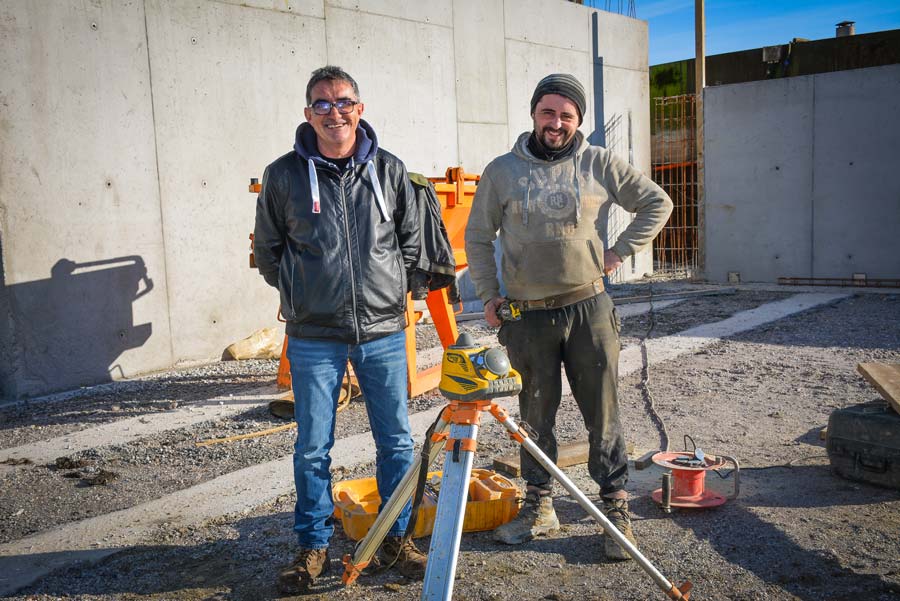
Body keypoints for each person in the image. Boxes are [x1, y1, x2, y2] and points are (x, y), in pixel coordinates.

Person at [464, 73, 673, 560]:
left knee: (603, 413)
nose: (555, 122)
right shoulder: (502, 172)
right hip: (527, 316)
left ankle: (615, 509)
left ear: (578, 120)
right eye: (547, 112)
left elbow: (656, 203)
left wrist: (620, 251)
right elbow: (478, 237)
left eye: (566, 114)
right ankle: (539, 506)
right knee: (534, 415)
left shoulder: (598, 163)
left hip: (589, 309)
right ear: (534, 112)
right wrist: (489, 294)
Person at [253, 65, 427, 592]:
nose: (335, 112)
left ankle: (395, 539)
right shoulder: (283, 175)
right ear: (308, 113)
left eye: (344, 102)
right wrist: (304, 296)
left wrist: (395, 294)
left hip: (381, 331)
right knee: (311, 447)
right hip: (314, 336)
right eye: (323, 104)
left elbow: (411, 241)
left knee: (396, 441)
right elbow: (268, 252)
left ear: (361, 107)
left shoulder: (390, 170)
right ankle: (313, 548)